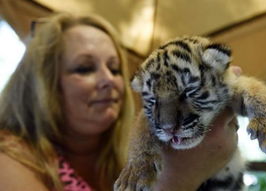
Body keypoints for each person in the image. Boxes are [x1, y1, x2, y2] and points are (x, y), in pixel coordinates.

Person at [0, 12, 240, 191]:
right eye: (84, 68)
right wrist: (181, 176)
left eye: (115, 69)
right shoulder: (8, 159)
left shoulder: (129, 152)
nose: (110, 80)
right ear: (41, 85)